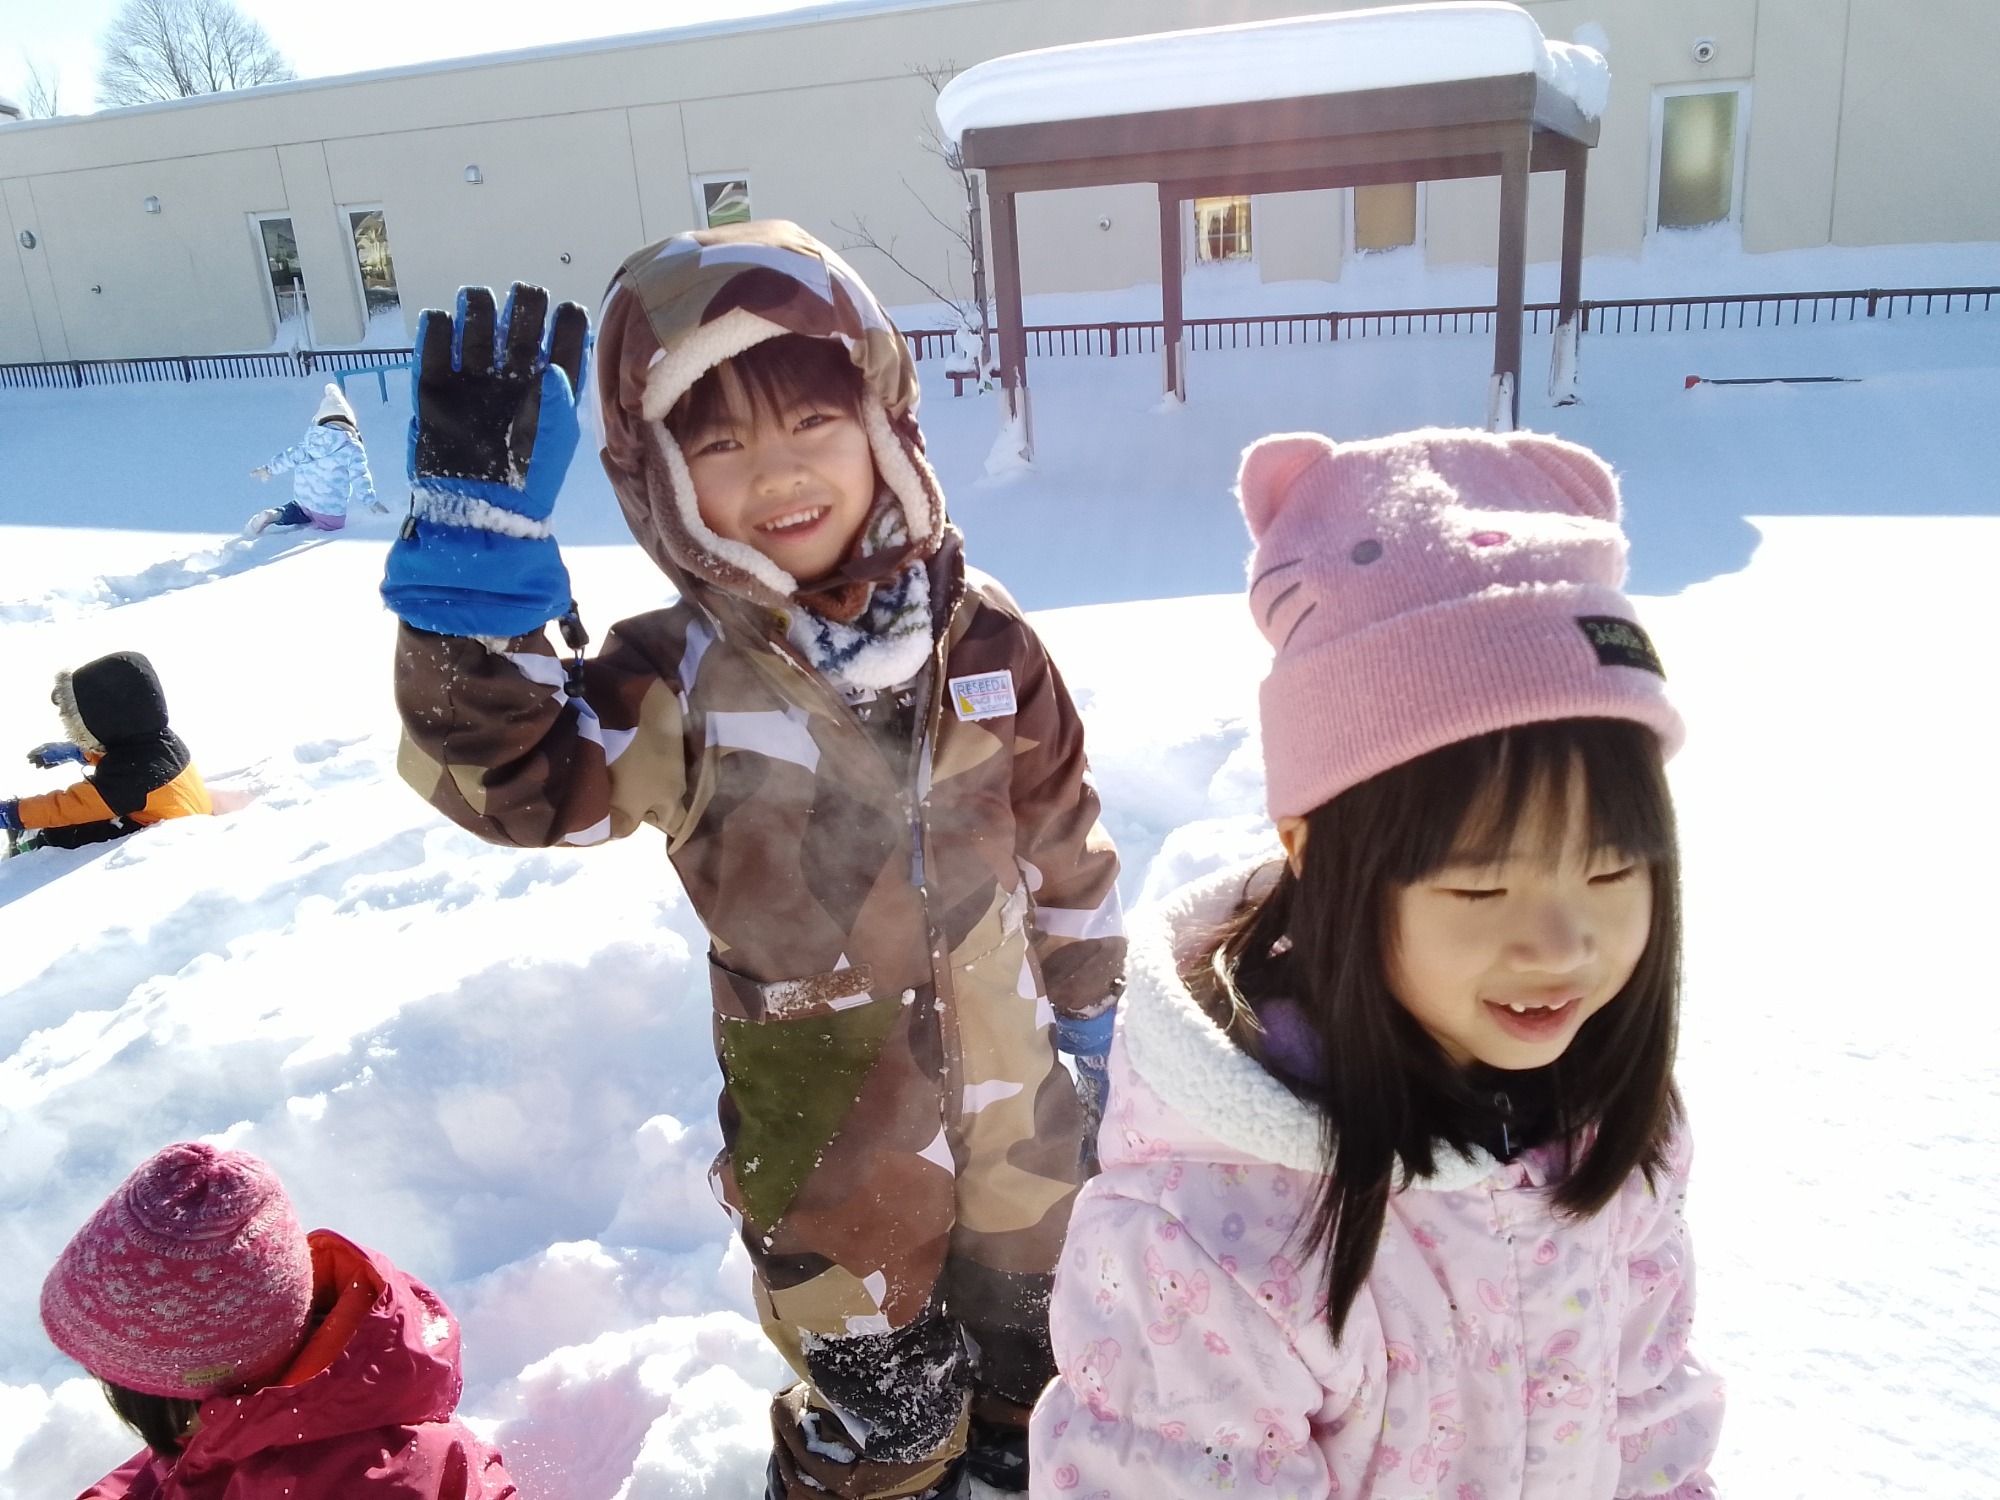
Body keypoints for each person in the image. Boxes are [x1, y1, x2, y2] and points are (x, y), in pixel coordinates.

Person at [376, 222, 1125, 1500]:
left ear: (883, 426)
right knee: (885, 1421)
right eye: (718, 445)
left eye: (809, 426)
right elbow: (516, 786)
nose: (776, 472)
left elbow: (1059, 822)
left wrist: (1093, 1010)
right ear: (662, 480)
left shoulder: (980, 633)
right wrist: (468, 583)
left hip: (1024, 1116)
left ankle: (1014, 1460)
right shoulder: (677, 678)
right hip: (835, 1144)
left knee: (1037, 1355)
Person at [1031, 429, 1723, 1498]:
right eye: (1479, 887)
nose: (1560, 945)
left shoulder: (1611, 1129)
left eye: (1611, 871)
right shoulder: (1210, 1233)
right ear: (1314, 849)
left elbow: (1646, 1410)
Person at [41, 1141, 517, 1500]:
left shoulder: (369, 1482)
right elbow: (180, 1470)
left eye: (118, 1382)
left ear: (203, 1381)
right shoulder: (250, 1420)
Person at [1, 650, 210, 853]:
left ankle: (32, 843)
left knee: (68, 830)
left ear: (103, 719)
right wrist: (78, 752)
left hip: (165, 838)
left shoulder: (131, 778)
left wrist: (13, 813)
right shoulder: (159, 739)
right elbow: (126, 758)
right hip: (175, 813)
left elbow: (68, 806)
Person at [245, 382, 386, 534]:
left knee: (298, 510)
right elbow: (360, 475)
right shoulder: (352, 447)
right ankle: (319, 528)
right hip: (329, 508)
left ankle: (277, 515)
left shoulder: (310, 440)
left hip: (304, 500)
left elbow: (290, 456)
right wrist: (370, 500)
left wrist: (269, 469)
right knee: (334, 525)